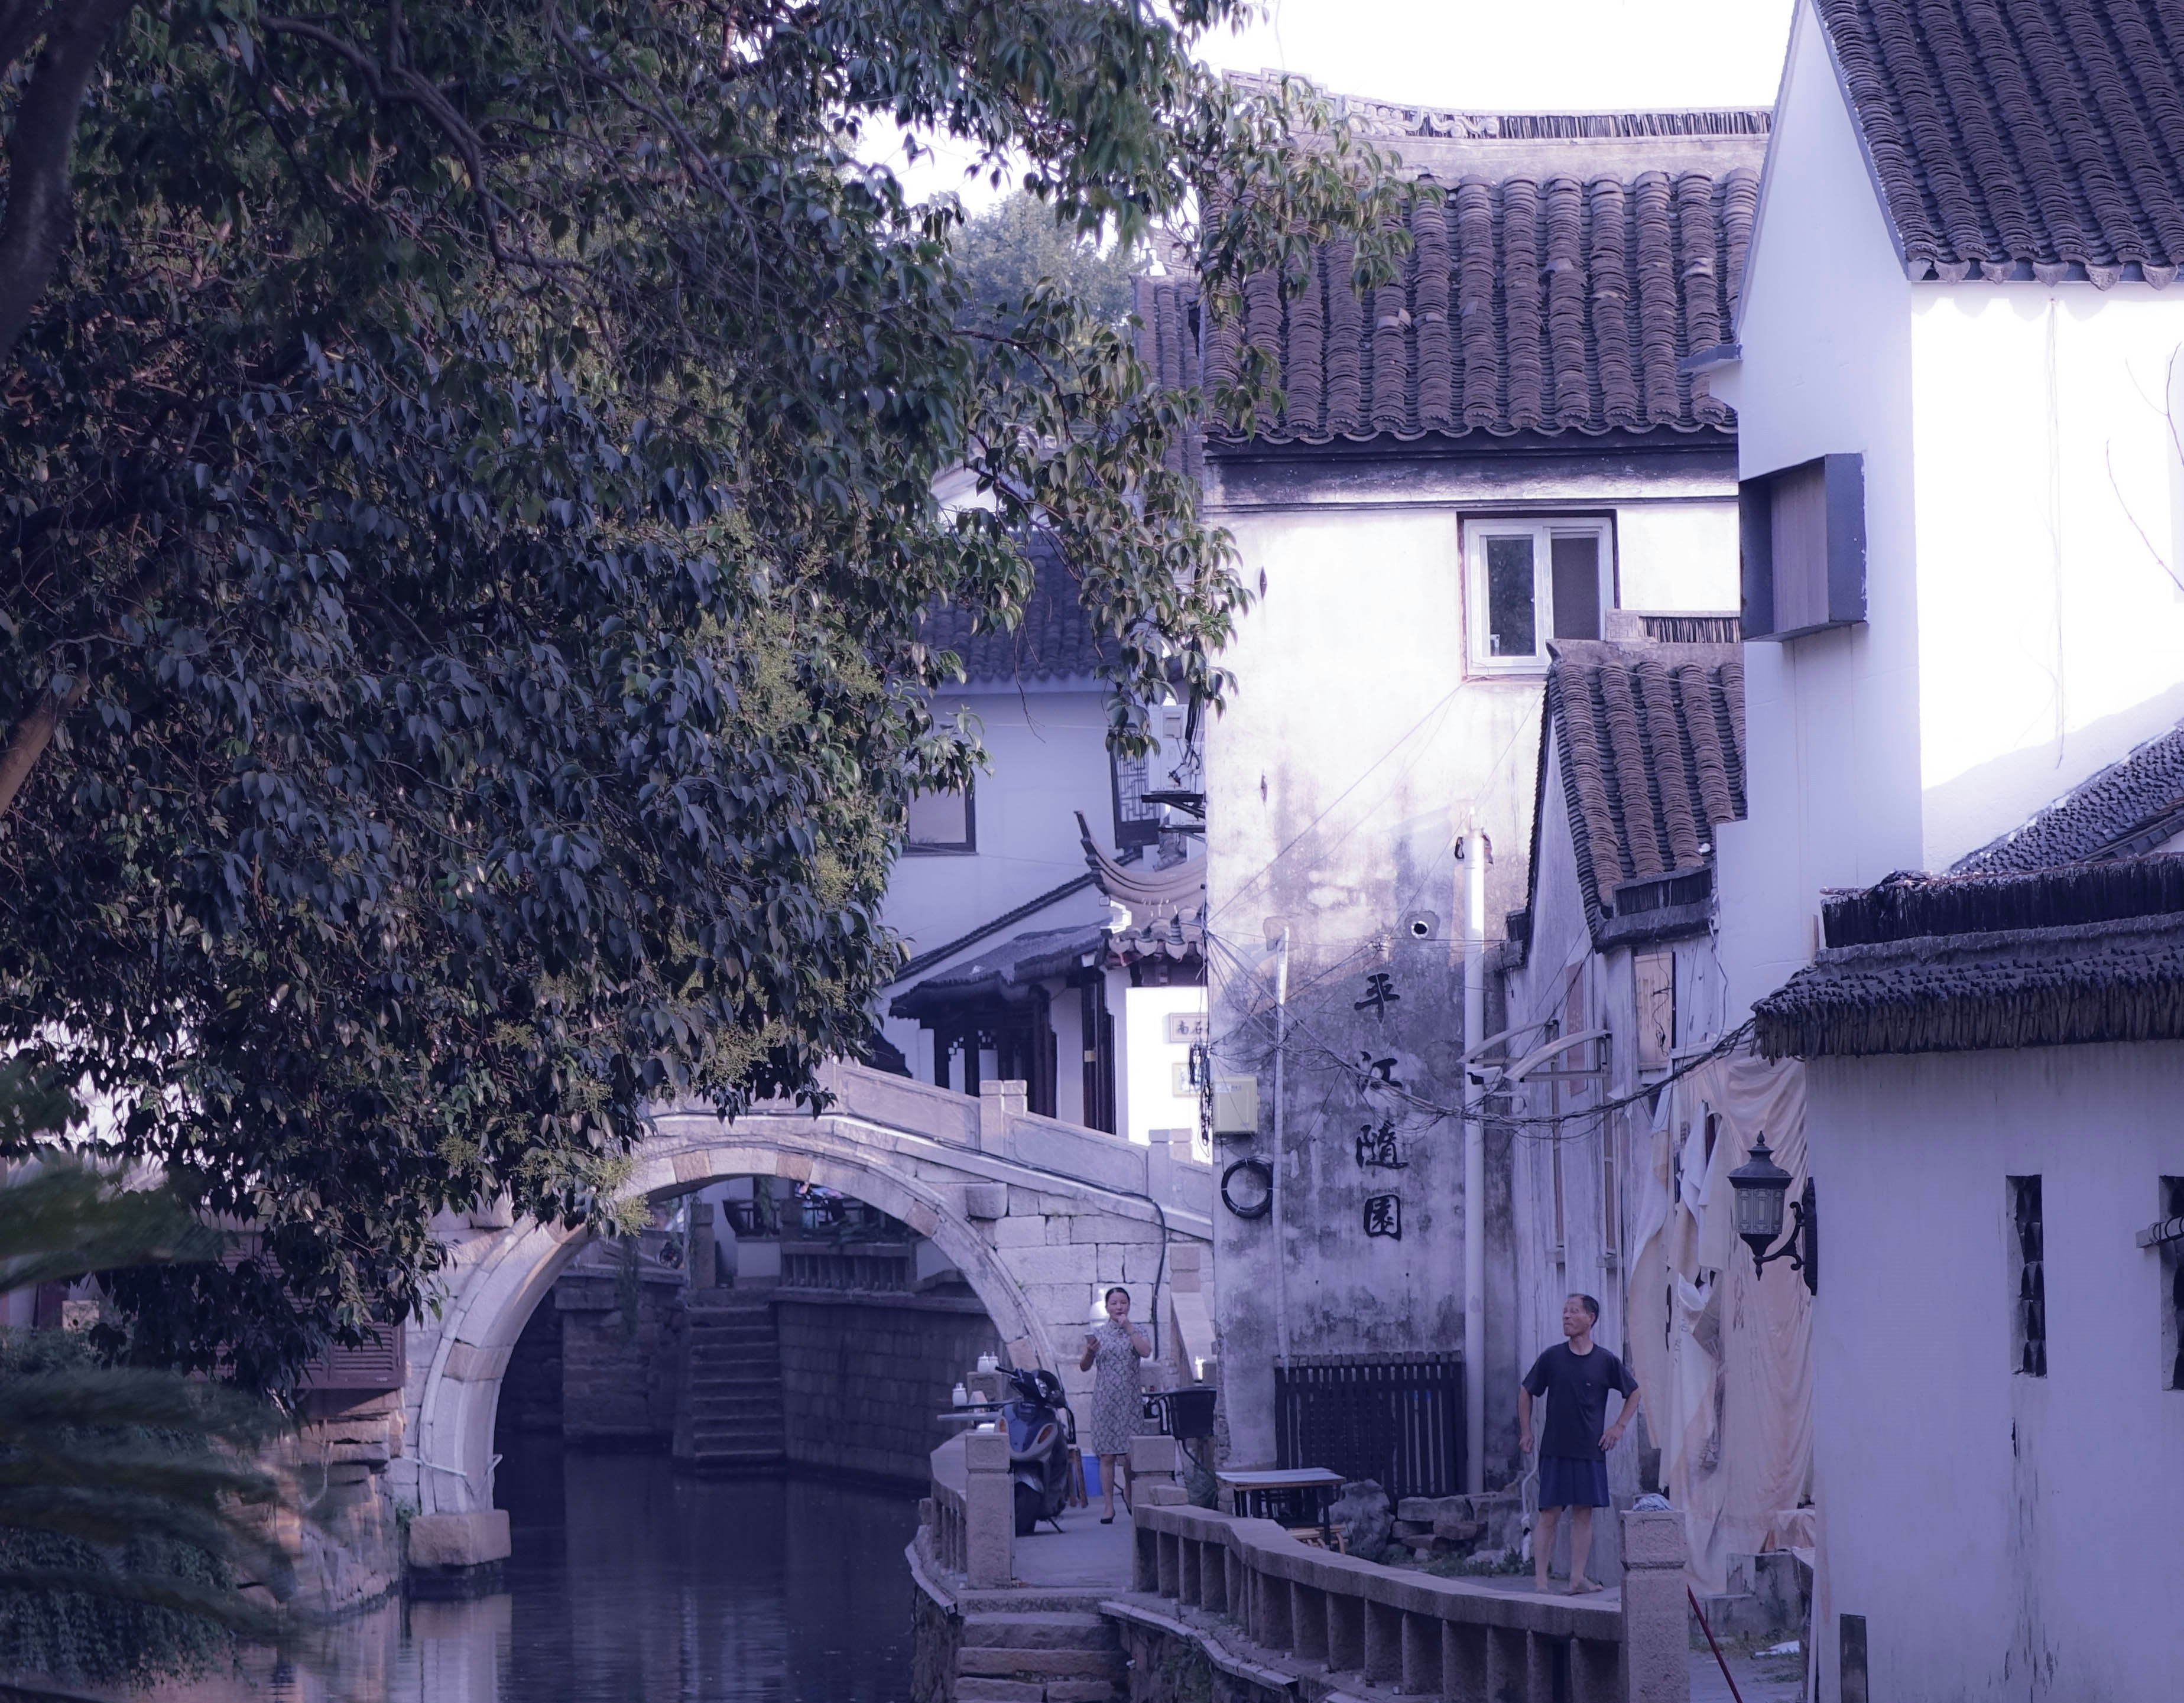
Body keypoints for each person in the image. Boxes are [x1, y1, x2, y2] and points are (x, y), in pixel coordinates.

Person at [1518, 1292, 1641, 1596]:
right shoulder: (1552, 1358)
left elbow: (1634, 1393)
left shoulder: (1605, 1361)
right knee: (1549, 1514)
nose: (1567, 1316)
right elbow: (1526, 1391)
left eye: (1574, 1311)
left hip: (1590, 1450)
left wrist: (1618, 1427)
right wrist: (1526, 1431)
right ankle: (1541, 1582)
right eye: (1565, 1311)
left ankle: (1577, 1579)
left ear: (1591, 1318)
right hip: (1555, 1449)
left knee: (1584, 1514)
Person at [1079, 1285, 1151, 1523]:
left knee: (1131, 1455)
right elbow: (1084, 1367)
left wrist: (1129, 1328)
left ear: (1129, 1305)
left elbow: (1145, 1352)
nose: (1119, 1307)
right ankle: (1109, 1506)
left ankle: (1129, 1492)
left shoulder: (1138, 1330)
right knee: (1107, 1455)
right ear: (1107, 1307)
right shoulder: (1099, 1334)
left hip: (1130, 1402)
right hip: (1105, 1401)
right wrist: (1090, 1353)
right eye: (1114, 1303)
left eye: (1123, 1303)